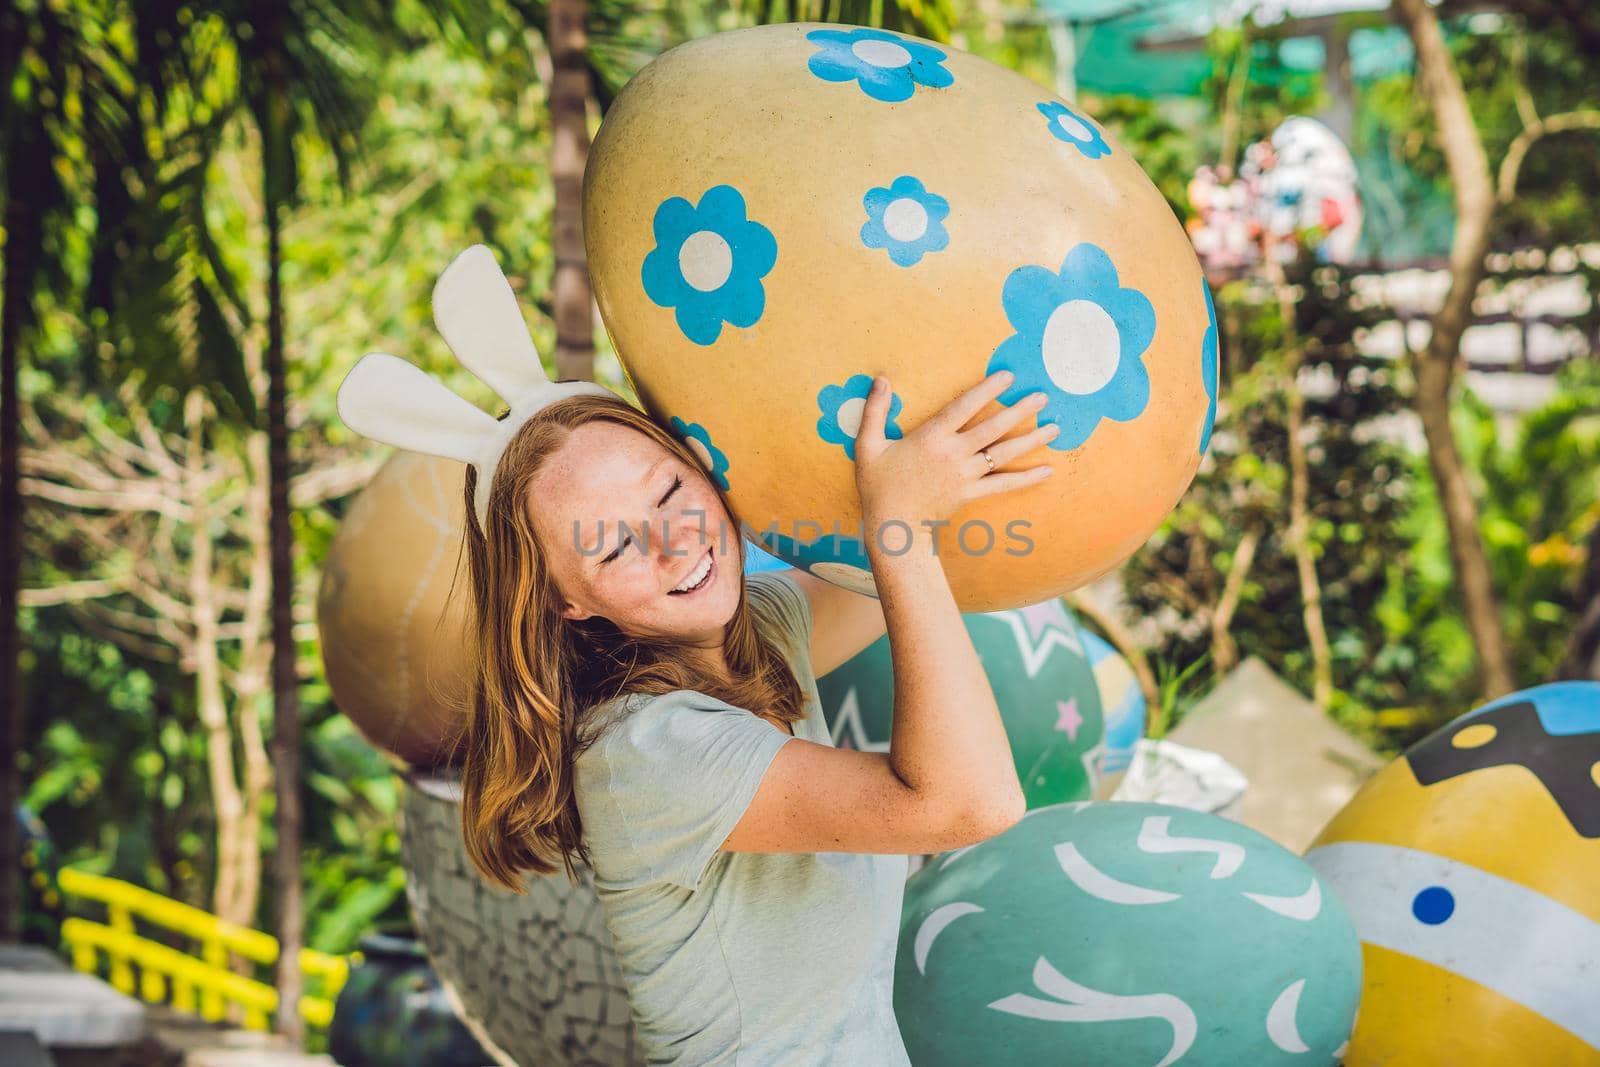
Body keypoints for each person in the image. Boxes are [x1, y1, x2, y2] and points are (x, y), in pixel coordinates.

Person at [337, 245, 1056, 1065]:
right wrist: (901, 528)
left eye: (673, 492)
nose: (677, 544)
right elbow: (968, 803)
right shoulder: (649, 752)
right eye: (614, 546)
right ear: (570, 603)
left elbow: (927, 563)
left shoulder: (761, 632)